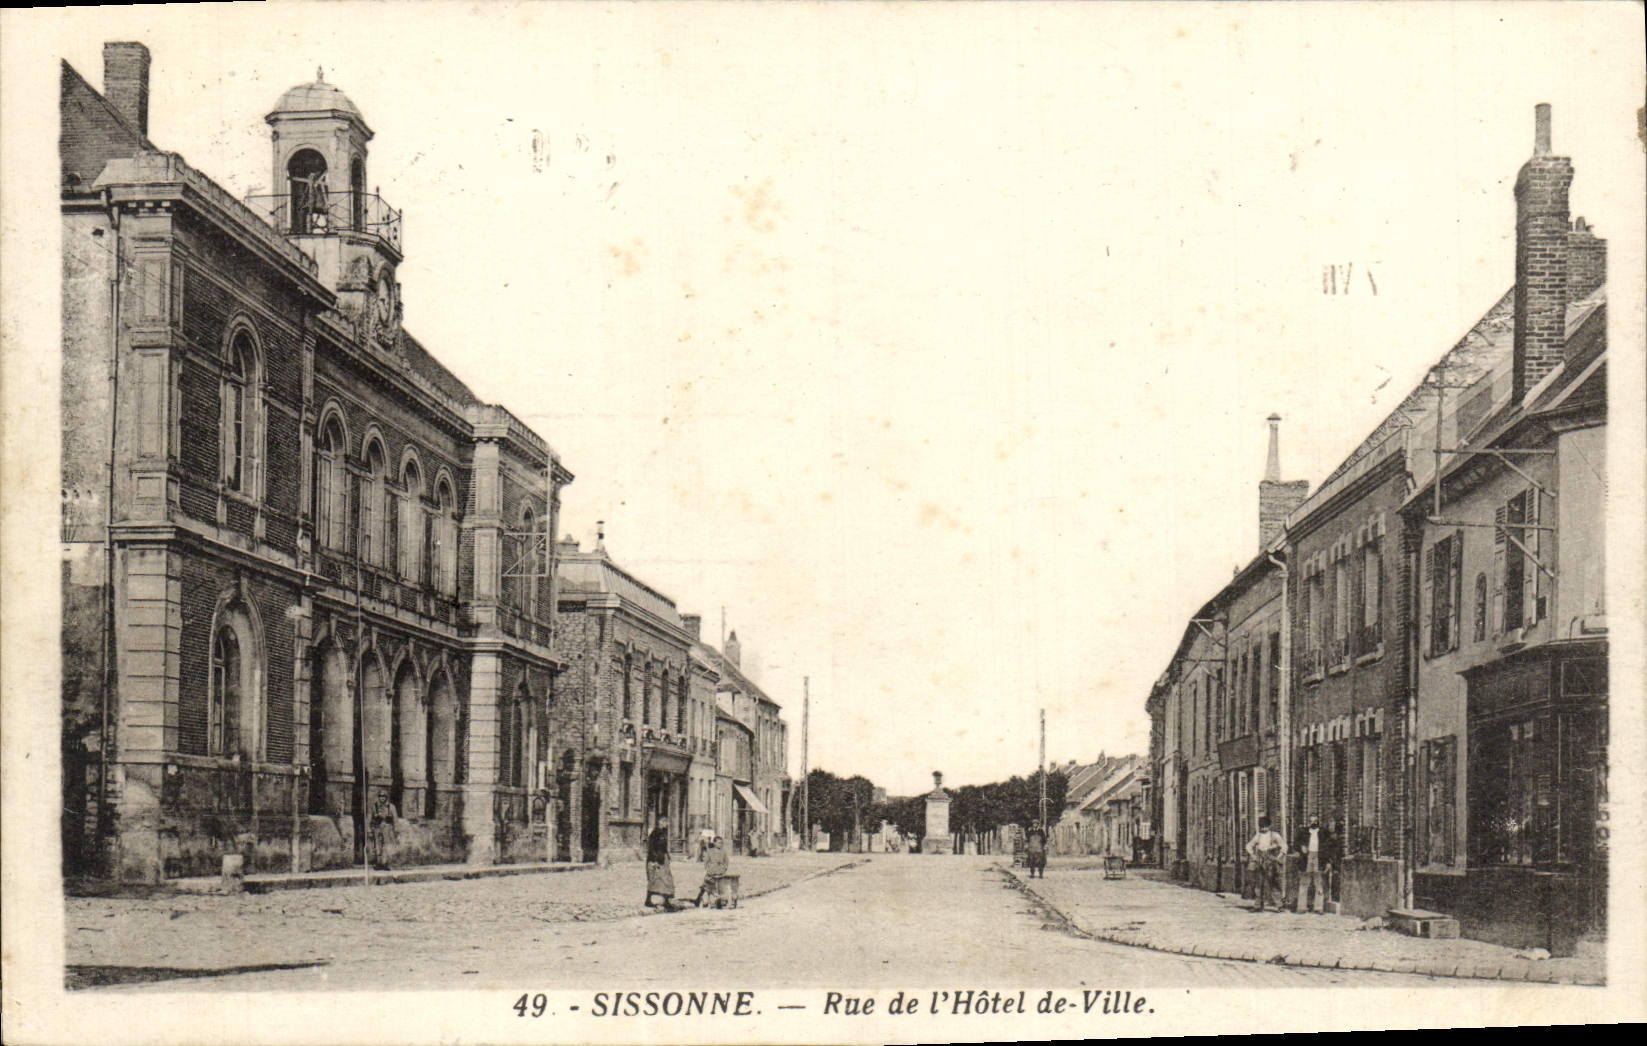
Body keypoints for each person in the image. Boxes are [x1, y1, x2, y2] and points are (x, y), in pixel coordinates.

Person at [1293, 815, 1337, 914]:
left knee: (1319, 883)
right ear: (1308, 822)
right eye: (1311, 821)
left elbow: (1330, 848)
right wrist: (1301, 847)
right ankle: (1301, 907)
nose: (1313, 823)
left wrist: (1329, 862)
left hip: (1319, 858)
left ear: (1318, 822)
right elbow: (1295, 844)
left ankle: (1318, 907)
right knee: (1304, 883)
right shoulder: (1303, 832)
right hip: (1306, 858)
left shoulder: (1324, 833)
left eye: (1315, 821)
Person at [1245, 816, 1287, 912]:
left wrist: (1279, 857)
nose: (1263, 829)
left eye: (1265, 826)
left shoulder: (1274, 835)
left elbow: (1284, 846)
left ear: (1269, 826)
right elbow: (1249, 846)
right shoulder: (1258, 836)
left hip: (1271, 861)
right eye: (1262, 827)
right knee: (1259, 883)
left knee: (1273, 882)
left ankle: (1279, 905)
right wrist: (1253, 855)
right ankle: (1258, 905)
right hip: (1260, 860)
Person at [644, 817, 677, 910]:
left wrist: (668, 855)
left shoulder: (662, 832)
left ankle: (664, 901)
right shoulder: (655, 833)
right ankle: (650, 900)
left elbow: (663, 847)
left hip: (662, 859)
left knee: (665, 880)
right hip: (657, 860)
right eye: (665, 822)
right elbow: (651, 848)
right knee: (658, 880)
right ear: (660, 822)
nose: (667, 824)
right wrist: (654, 860)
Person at [695, 835, 730, 907]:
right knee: (706, 884)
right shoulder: (710, 851)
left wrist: (724, 868)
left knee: (720, 887)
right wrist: (708, 868)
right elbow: (706, 862)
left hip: (720, 871)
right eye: (719, 843)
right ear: (714, 843)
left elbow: (726, 861)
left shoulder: (723, 852)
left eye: (721, 843)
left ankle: (718, 900)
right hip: (711, 871)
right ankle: (702, 899)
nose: (720, 844)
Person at [369, 791, 398, 871]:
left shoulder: (391, 807)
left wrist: (396, 830)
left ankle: (385, 862)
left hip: (387, 828)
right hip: (377, 828)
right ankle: (378, 862)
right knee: (377, 845)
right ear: (378, 797)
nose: (382, 798)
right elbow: (370, 818)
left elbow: (395, 819)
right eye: (380, 796)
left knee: (387, 845)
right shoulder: (374, 807)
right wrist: (369, 829)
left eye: (384, 796)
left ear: (386, 798)